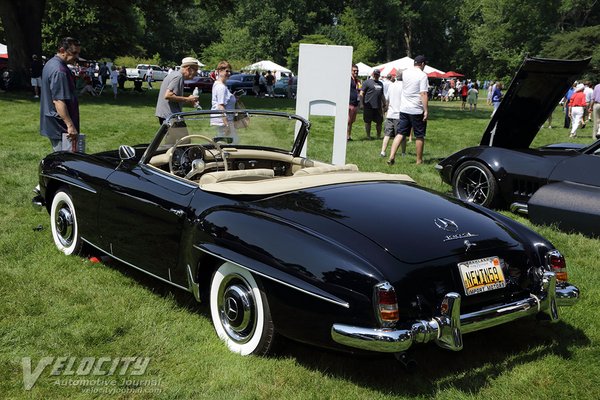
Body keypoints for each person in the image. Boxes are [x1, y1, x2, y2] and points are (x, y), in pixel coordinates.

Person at [39, 37, 81, 152]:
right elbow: (58, 101)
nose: (77, 57)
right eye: (74, 53)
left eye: (78, 53)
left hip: (55, 123)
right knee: (66, 162)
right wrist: (70, 126)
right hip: (61, 127)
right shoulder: (59, 70)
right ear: (62, 50)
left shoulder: (50, 63)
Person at [388, 55, 428, 165]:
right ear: (423, 64)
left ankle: (391, 156)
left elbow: (400, 76)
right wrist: (426, 110)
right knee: (419, 135)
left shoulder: (405, 73)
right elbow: (423, 93)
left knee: (400, 133)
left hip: (404, 108)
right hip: (416, 109)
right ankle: (419, 160)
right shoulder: (422, 75)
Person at [155, 57, 200, 125]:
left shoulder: (175, 74)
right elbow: (168, 95)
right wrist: (187, 99)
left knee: (178, 136)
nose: (196, 73)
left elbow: (172, 96)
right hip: (170, 116)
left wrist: (189, 99)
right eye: (195, 70)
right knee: (182, 136)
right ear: (188, 69)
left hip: (168, 115)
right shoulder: (178, 77)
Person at [211, 60, 239, 144]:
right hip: (223, 122)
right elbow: (221, 106)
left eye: (230, 71)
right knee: (232, 144)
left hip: (224, 121)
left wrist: (232, 97)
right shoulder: (221, 87)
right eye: (227, 71)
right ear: (220, 71)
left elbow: (224, 101)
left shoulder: (220, 85)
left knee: (229, 144)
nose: (229, 73)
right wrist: (227, 125)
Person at [381, 72, 404, 158]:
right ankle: (403, 153)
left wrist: (385, 109)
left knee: (387, 134)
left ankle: (383, 151)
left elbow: (387, 99)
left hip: (390, 113)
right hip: (400, 114)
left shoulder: (391, 85)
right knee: (401, 135)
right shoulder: (404, 86)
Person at [360, 69, 385, 140]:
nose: (376, 76)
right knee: (368, 122)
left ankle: (378, 136)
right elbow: (361, 93)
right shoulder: (367, 82)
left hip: (378, 106)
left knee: (379, 122)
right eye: (375, 74)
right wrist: (361, 104)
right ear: (372, 74)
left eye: (378, 74)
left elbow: (382, 94)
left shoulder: (381, 83)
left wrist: (384, 103)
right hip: (368, 106)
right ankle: (368, 136)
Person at [347, 64, 362, 141]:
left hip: (356, 103)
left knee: (351, 122)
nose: (356, 72)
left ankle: (349, 136)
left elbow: (359, 91)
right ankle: (345, 137)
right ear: (351, 71)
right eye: (354, 71)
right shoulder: (348, 79)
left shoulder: (358, 81)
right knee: (348, 121)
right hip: (349, 103)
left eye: (357, 71)